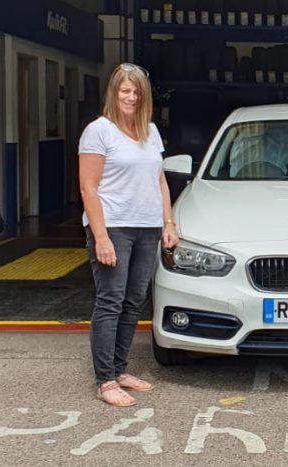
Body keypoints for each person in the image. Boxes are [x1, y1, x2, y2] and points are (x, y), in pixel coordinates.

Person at [79, 63, 178, 406]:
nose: (131, 96)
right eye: (125, 90)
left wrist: (169, 222)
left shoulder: (150, 131)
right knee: (111, 300)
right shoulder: (99, 131)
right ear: (114, 92)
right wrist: (101, 236)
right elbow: (88, 188)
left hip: (148, 227)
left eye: (136, 91)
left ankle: (120, 369)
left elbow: (160, 180)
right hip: (114, 226)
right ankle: (105, 380)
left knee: (135, 301)